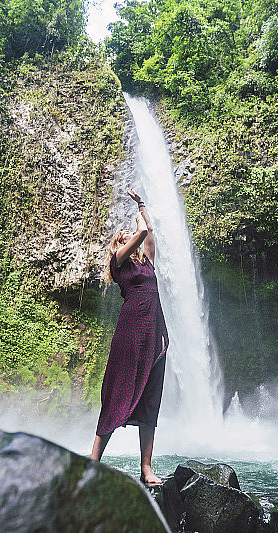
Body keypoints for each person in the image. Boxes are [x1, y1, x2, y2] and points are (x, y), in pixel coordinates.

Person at [91, 187, 169, 486]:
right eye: (120, 233)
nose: (125, 232)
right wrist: (137, 215)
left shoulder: (146, 262)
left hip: (154, 334)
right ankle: (93, 463)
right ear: (117, 244)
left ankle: (146, 468)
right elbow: (141, 233)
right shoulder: (118, 261)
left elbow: (149, 234)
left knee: (151, 400)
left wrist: (143, 205)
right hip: (130, 333)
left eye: (127, 231)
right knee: (117, 393)